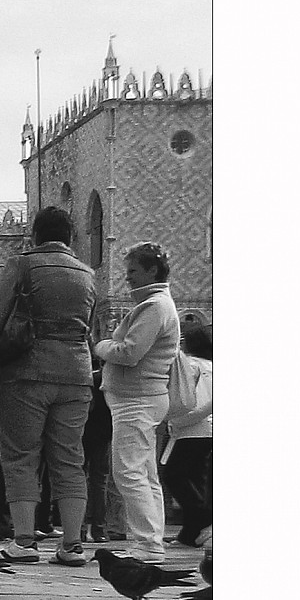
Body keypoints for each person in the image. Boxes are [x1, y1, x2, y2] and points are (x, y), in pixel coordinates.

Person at [0, 203, 100, 564]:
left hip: (27, 372)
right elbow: (89, 326)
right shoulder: (88, 274)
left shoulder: (23, 264)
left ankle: (25, 541)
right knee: (70, 458)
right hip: (76, 375)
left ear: (35, 235)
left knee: (21, 455)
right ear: (71, 238)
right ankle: (72, 544)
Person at [93, 240, 182, 564]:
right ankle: (150, 539)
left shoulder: (154, 306)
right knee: (144, 474)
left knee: (129, 473)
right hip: (140, 399)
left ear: (152, 270)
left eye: (132, 271)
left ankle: (147, 545)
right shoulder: (157, 304)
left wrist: (102, 346)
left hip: (137, 400)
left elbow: (130, 352)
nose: (127, 278)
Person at [163, 314, 213, 548]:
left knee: (175, 475)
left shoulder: (190, 366)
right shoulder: (212, 366)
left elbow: (186, 396)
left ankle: (203, 519)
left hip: (191, 428)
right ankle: (190, 532)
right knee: (193, 477)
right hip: (207, 429)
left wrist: (176, 419)